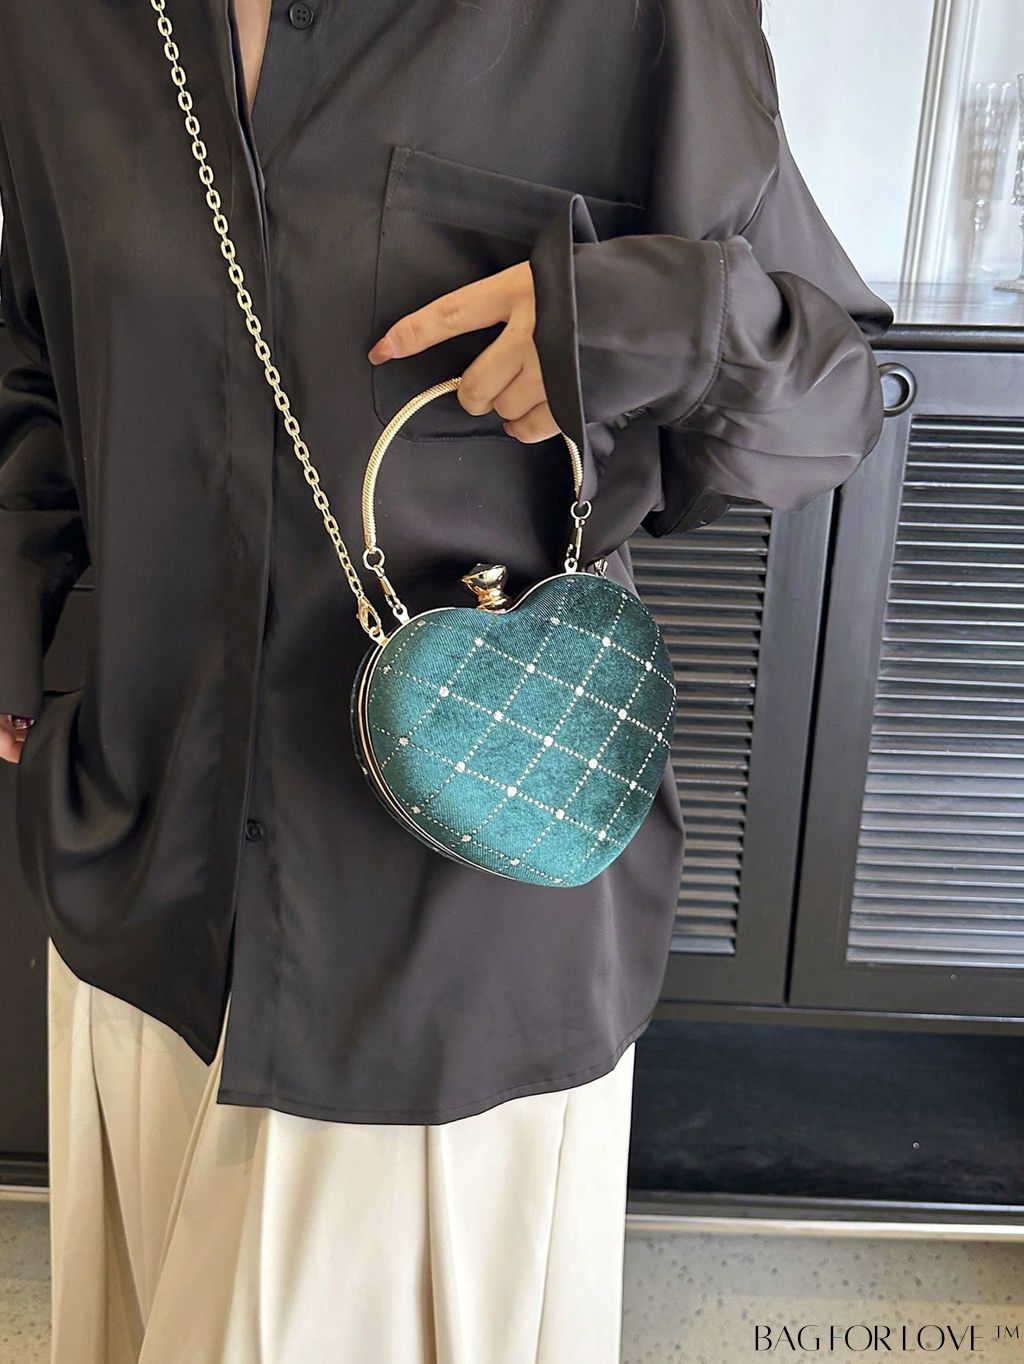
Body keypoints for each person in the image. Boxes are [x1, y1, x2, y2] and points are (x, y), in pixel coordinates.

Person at [0, 0, 893, 1359]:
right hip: (144, 870)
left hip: (458, 924)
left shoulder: (630, 19)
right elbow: (36, 344)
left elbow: (831, 396)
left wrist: (644, 316)